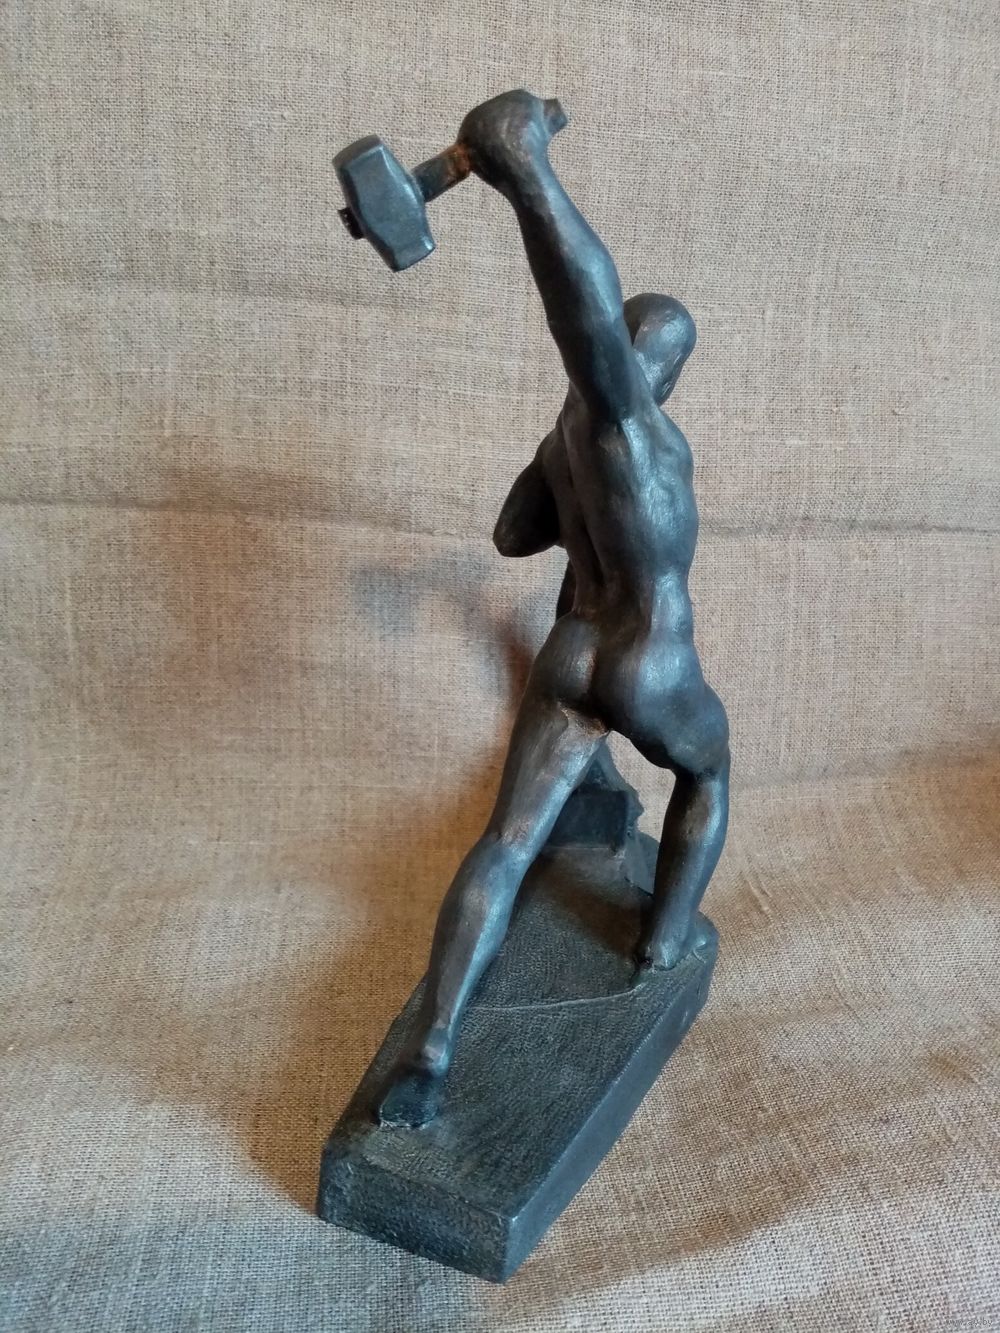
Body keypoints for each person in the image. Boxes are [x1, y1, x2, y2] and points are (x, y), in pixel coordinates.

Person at [377, 91, 730, 1128]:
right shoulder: (632, 427)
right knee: (709, 771)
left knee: (504, 843)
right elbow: (585, 310)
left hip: (571, 653)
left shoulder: (570, 440)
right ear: (659, 369)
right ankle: (661, 939)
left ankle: (432, 1046)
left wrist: (560, 458)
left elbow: (510, 534)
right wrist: (525, 170)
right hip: (647, 661)